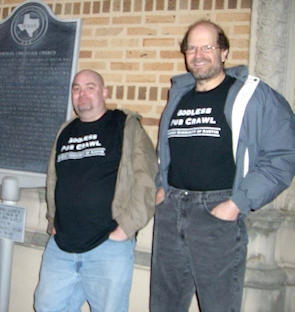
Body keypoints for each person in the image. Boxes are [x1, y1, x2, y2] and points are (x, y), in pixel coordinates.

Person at [150, 20, 295, 312]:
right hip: (171, 210)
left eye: (207, 46)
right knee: (164, 307)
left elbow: (282, 156)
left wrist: (237, 203)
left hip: (217, 213)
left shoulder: (252, 95)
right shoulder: (178, 95)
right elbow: (165, 151)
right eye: (191, 47)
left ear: (224, 52)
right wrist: (160, 188)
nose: (198, 54)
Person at [34, 69, 158, 312]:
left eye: (90, 87)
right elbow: (53, 179)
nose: (82, 93)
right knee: (46, 306)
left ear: (104, 92)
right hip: (62, 244)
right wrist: (53, 222)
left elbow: (147, 179)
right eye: (77, 88)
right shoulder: (65, 131)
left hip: (108, 244)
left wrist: (125, 229)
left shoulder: (124, 125)